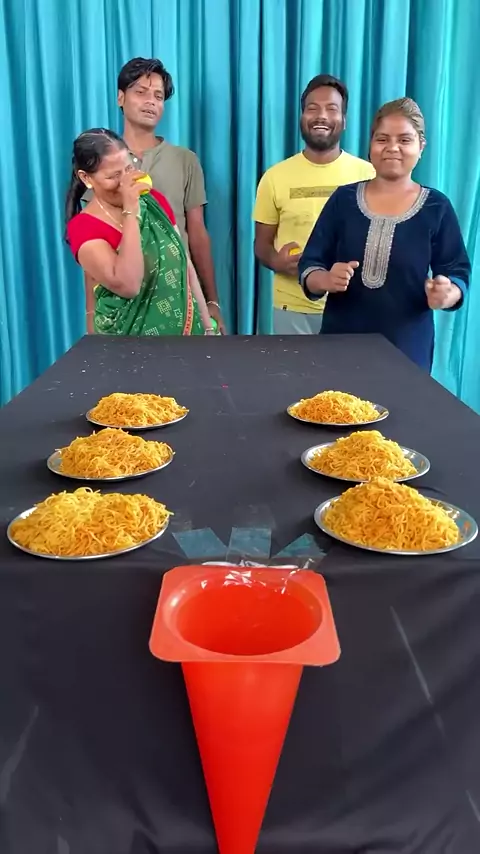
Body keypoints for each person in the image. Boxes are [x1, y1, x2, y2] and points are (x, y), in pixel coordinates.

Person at [298, 98, 470, 371]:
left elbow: (456, 269)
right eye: (382, 139)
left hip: (407, 349)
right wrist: (326, 279)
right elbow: (311, 263)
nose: (392, 148)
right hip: (339, 346)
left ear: (421, 147)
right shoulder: (343, 200)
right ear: (370, 145)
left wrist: (448, 293)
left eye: (404, 140)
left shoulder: (436, 207)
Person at [253, 74, 375, 335]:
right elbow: (261, 246)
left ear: (344, 120)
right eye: (312, 108)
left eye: (332, 109)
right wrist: (276, 261)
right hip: (292, 308)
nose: (321, 116)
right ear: (301, 117)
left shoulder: (369, 175)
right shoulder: (274, 177)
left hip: (355, 307)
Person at [65, 128, 214, 337]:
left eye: (128, 169)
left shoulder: (154, 201)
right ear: (86, 178)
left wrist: (208, 328)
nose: (126, 182)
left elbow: (184, 265)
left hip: (185, 336)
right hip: (125, 344)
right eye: (114, 176)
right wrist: (131, 212)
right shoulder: (83, 228)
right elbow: (129, 285)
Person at [117, 57, 225, 334]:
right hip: (123, 297)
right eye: (141, 92)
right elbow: (91, 237)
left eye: (158, 96)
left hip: (179, 295)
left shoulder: (185, 160)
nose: (150, 102)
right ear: (121, 98)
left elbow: (197, 232)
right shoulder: (104, 161)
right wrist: (91, 314)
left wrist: (212, 301)